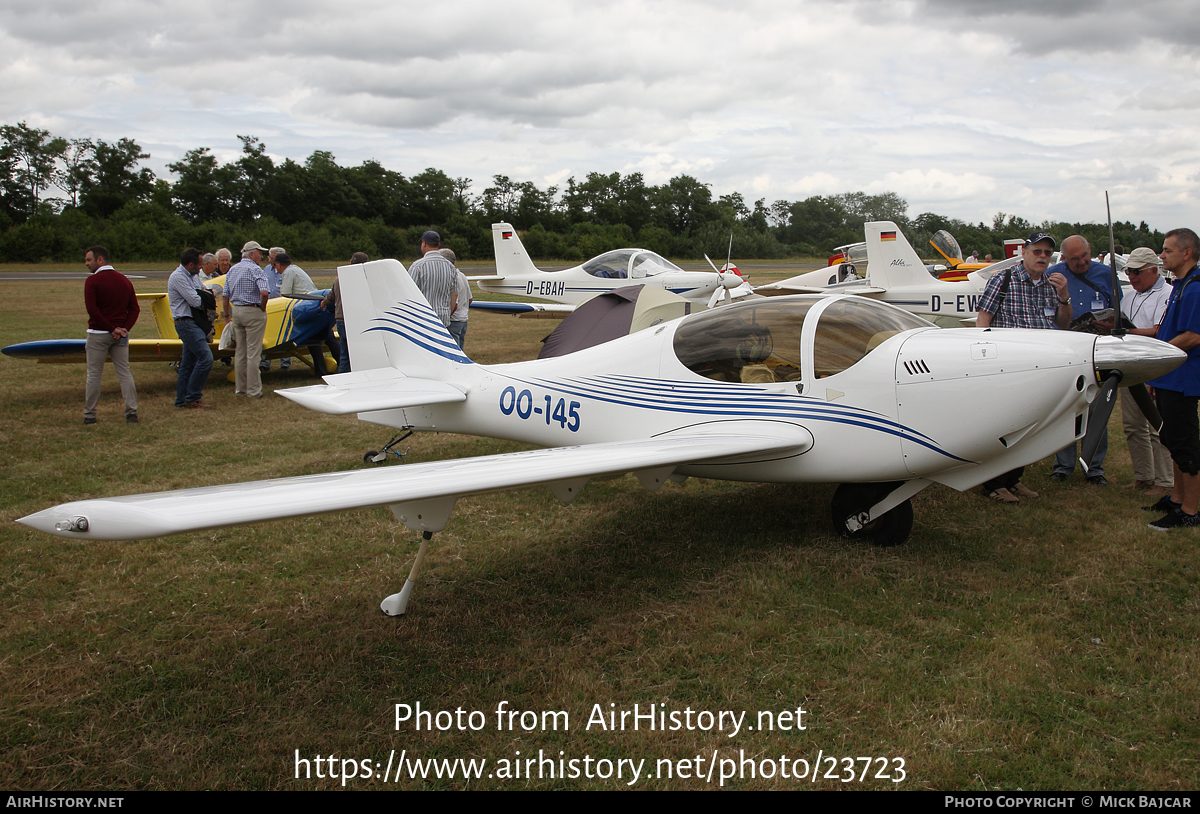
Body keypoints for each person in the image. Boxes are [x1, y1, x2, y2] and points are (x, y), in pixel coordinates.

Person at [975, 231, 1072, 503]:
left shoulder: (1052, 285)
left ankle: (1013, 480)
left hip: (1040, 367)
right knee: (1004, 425)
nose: (1042, 257)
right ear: (1024, 252)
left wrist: (1064, 295)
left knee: (1030, 425)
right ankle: (993, 483)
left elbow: (1063, 324)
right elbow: (983, 320)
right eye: (1037, 251)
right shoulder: (1002, 279)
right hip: (1007, 367)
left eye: (1047, 253)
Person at [1144, 228, 1200, 530]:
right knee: (1172, 439)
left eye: (1166, 250)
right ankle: (1177, 499)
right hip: (1168, 376)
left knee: (1185, 443)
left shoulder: (1195, 288)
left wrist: (1158, 352)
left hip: (1183, 378)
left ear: (1186, 253)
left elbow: (1193, 335)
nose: (1162, 255)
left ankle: (1190, 510)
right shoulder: (1180, 285)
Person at [1049, 235, 1114, 485]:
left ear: (1090, 251)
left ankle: (1094, 468)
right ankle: (1063, 466)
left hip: (1098, 350)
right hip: (1065, 352)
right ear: (1064, 258)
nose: (1081, 262)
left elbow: (1119, 310)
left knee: (1097, 410)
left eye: (1084, 256)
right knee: (1066, 408)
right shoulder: (1054, 275)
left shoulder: (1105, 274)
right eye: (1074, 259)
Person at [1119, 248, 1173, 497]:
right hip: (1130, 365)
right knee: (1133, 425)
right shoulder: (1128, 297)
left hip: (1155, 365)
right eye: (1129, 271)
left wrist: (1124, 332)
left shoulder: (1167, 294)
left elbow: (1158, 330)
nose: (1131, 276)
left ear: (1153, 270)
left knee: (1157, 426)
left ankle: (1166, 480)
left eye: (1136, 271)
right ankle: (1143, 476)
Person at [82, 246, 139, 424]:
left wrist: (111, 328)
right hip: (120, 336)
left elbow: (92, 309)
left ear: (100, 260)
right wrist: (123, 329)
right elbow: (134, 309)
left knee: (94, 375)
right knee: (124, 373)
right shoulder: (124, 281)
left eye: (88, 260)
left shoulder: (93, 281)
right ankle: (132, 413)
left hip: (98, 334)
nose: (86, 264)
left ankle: (90, 415)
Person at [275, 252, 339, 376]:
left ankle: (320, 371)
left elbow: (284, 296)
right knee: (328, 337)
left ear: (278, 264)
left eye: (275, 265)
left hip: (308, 309)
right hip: (318, 306)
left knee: (311, 340)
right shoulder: (296, 269)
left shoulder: (288, 272)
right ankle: (343, 366)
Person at [221, 240, 271, 397]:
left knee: (240, 352)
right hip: (253, 311)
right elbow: (264, 292)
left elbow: (225, 295)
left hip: (237, 311)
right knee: (253, 353)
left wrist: (227, 315)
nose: (261, 256)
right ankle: (254, 390)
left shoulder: (232, 269)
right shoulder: (256, 270)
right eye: (259, 253)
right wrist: (263, 308)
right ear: (251, 254)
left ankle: (240, 389)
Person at [168, 247, 214, 409]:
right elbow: (196, 300)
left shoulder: (193, 276)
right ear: (190, 264)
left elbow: (204, 291)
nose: (201, 267)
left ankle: (181, 400)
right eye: (199, 265)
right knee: (206, 358)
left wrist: (205, 294)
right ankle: (193, 396)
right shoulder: (178, 277)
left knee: (188, 364)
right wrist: (206, 295)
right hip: (186, 323)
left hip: (195, 322)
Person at [322, 251, 366, 373]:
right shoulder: (364, 279)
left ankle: (344, 376)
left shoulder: (339, 279)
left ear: (351, 262)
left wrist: (323, 302)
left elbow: (331, 296)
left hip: (341, 320)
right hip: (358, 320)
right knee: (360, 353)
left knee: (345, 353)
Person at [407, 231, 457, 326]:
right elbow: (454, 294)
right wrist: (447, 313)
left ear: (424, 243)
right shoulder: (450, 266)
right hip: (444, 317)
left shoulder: (418, 266)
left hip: (424, 318)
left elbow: (409, 293)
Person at [261, 246, 288, 372]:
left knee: (284, 335)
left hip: (282, 307)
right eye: (269, 258)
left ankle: (285, 363)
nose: (270, 261)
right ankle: (264, 363)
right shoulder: (266, 269)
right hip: (268, 306)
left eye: (272, 259)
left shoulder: (286, 271)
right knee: (265, 335)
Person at [440, 247, 471, 349]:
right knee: (460, 349)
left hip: (453, 320)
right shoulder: (462, 275)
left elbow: (454, 302)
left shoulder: (450, 276)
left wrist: (446, 317)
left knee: (454, 352)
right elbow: (470, 299)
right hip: (463, 319)